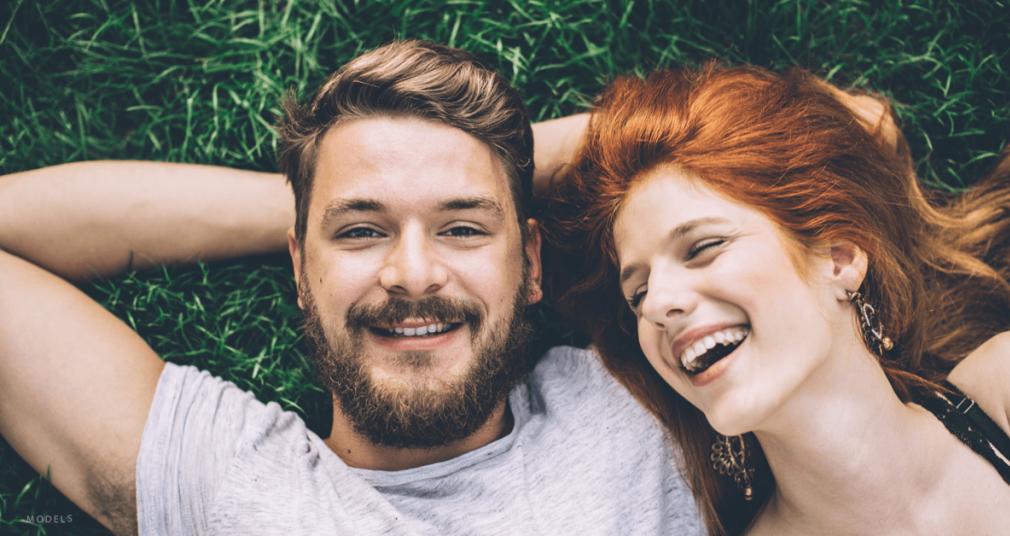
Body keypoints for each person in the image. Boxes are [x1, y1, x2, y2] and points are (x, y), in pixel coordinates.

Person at [0, 40, 702, 535]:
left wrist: (481, 164)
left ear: (534, 266)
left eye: (463, 230)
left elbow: (805, 136)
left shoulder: (645, 398)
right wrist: (320, 202)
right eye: (363, 234)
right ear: (300, 270)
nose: (414, 274)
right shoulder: (228, 486)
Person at [542, 64, 1010, 535]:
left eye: (702, 248)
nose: (656, 305)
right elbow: (472, 171)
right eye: (638, 293)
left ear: (838, 256)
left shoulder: (1009, 390)